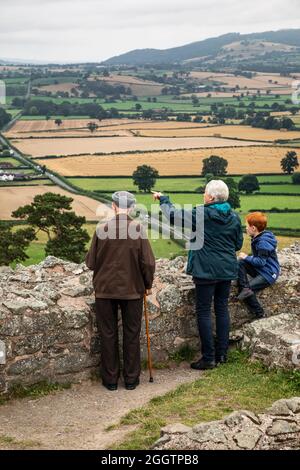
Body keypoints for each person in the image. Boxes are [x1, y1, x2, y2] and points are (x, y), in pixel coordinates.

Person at [153, 180, 243, 370]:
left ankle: (209, 358)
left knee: (203, 311)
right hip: (227, 269)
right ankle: (223, 355)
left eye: (205, 193)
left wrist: (163, 199)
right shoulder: (234, 217)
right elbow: (238, 244)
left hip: (205, 269)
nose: (203, 195)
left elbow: (174, 216)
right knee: (221, 308)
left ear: (210, 197)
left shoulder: (202, 213)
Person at [86, 191, 155, 391]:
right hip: (133, 290)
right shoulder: (138, 230)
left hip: (104, 290)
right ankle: (131, 379)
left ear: (114, 206)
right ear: (132, 208)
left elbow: (91, 263)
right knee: (132, 334)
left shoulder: (101, 229)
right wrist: (147, 284)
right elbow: (148, 263)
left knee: (107, 334)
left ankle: (110, 381)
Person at [237, 212, 280, 318]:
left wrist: (247, 257)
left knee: (246, 293)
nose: (246, 228)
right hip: (262, 269)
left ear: (253, 228)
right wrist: (246, 259)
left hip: (268, 274)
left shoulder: (262, 243)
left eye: (247, 226)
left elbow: (261, 262)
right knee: (240, 263)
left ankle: (259, 313)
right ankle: (244, 287)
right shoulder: (261, 236)